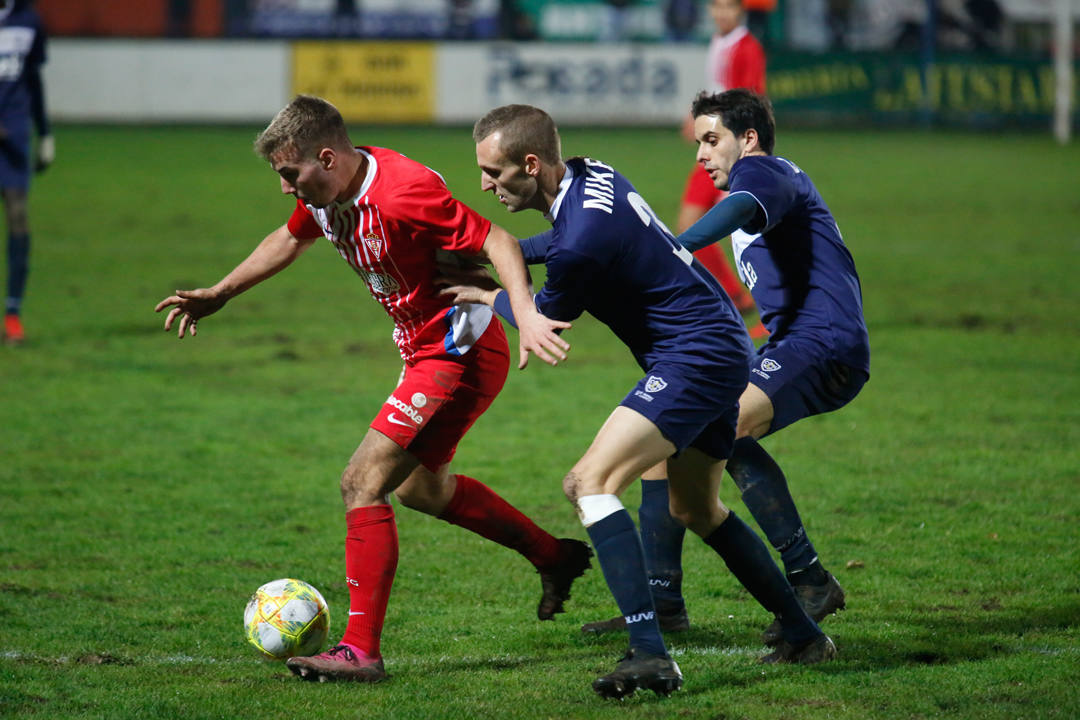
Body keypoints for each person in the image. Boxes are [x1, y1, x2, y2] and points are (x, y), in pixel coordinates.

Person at [154, 95, 592, 683]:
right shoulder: (329, 193)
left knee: (361, 481)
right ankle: (554, 555)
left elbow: (499, 242)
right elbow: (290, 237)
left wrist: (528, 313)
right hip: (426, 349)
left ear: (327, 158)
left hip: (455, 348)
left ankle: (361, 649)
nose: (286, 188)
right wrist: (221, 292)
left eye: (290, 175)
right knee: (419, 489)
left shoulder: (401, 191)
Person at [444, 104, 836, 699]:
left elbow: (546, 319)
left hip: (694, 357)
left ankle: (650, 654)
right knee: (697, 509)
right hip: (720, 342)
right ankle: (805, 634)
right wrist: (513, 253)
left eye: (493, 172)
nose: (484, 184)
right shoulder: (590, 174)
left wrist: (487, 294)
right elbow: (567, 237)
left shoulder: (581, 242)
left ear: (530, 163)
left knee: (590, 483)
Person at [584, 88, 869, 647]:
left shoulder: (765, 174)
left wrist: (677, 248)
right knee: (667, 436)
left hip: (822, 342)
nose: (702, 154)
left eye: (712, 140)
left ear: (750, 138)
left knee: (721, 422)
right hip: (794, 343)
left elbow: (740, 208)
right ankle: (662, 599)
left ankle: (810, 578)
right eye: (698, 144)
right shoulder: (755, 192)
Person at [677, 0, 766, 338]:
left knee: (748, 234)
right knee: (690, 225)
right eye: (716, 6)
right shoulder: (720, 42)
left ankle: (773, 312)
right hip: (714, 150)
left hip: (734, 153)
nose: (721, 13)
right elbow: (720, 92)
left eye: (728, 6)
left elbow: (750, 101)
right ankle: (734, 296)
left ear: (741, 10)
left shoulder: (747, 48)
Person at [1, 0, 53, 346]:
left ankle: (13, 315)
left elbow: (33, 80)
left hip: (14, 138)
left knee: (19, 218)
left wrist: (45, 133)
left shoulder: (29, 20)